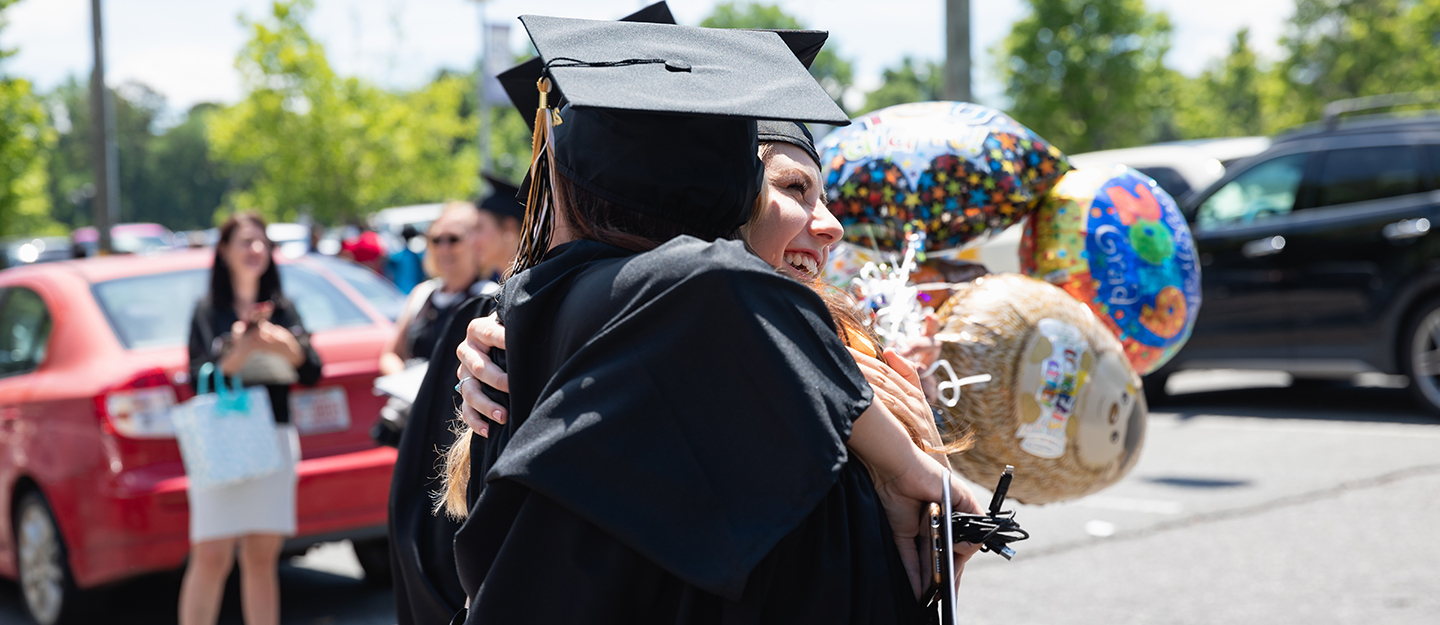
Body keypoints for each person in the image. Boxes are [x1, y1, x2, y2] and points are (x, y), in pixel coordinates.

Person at [440, 17, 976, 624]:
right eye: (793, 188)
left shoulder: (806, 358)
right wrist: (904, 464)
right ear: (733, 196)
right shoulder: (663, 310)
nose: (830, 224)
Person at [181, 213, 322, 625]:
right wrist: (241, 351)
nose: (254, 250)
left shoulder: (283, 308)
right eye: (244, 242)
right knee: (210, 554)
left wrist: (283, 345)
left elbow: (312, 371)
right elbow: (197, 379)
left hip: (273, 438)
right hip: (220, 439)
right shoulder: (208, 311)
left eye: (261, 242)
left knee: (261, 557)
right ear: (223, 251)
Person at [386, 225, 427, 294]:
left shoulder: (398, 256)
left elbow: (388, 272)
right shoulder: (418, 256)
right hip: (414, 291)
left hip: (399, 291)